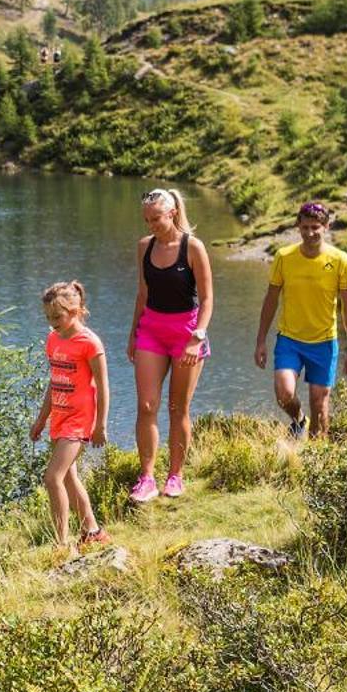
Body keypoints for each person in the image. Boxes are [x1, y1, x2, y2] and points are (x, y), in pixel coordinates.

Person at [125, 188, 215, 501]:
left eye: (156, 219)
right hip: (151, 329)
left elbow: (206, 299)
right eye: (147, 220)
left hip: (186, 333)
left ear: (173, 213)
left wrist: (197, 338)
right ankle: (146, 478)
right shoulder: (144, 246)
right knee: (146, 405)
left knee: (178, 408)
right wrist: (133, 334)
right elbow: (142, 293)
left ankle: (175, 476)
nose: (151, 225)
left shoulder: (193, 247)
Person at [252, 201, 347, 440]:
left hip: (324, 342)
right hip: (290, 339)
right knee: (284, 393)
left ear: (326, 226)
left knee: (320, 405)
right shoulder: (284, 257)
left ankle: (313, 458)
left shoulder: (340, 260)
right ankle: (299, 420)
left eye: (315, 227)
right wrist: (261, 340)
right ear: (298, 227)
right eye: (305, 227)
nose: (310, 233)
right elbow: (271, 300)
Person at [30, 281, 111, 552]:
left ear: (76, 311)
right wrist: (42, 420)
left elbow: (102, 386)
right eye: (48, 318)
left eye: (57, 317)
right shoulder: (53, 339)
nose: (52, 323)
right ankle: (93, 530)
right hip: (60, 417)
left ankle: (61, 543)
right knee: (67, 478)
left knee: (52, 477)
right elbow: (55, 383)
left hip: (80, 419)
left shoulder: (89, 342)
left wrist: (100, 425)